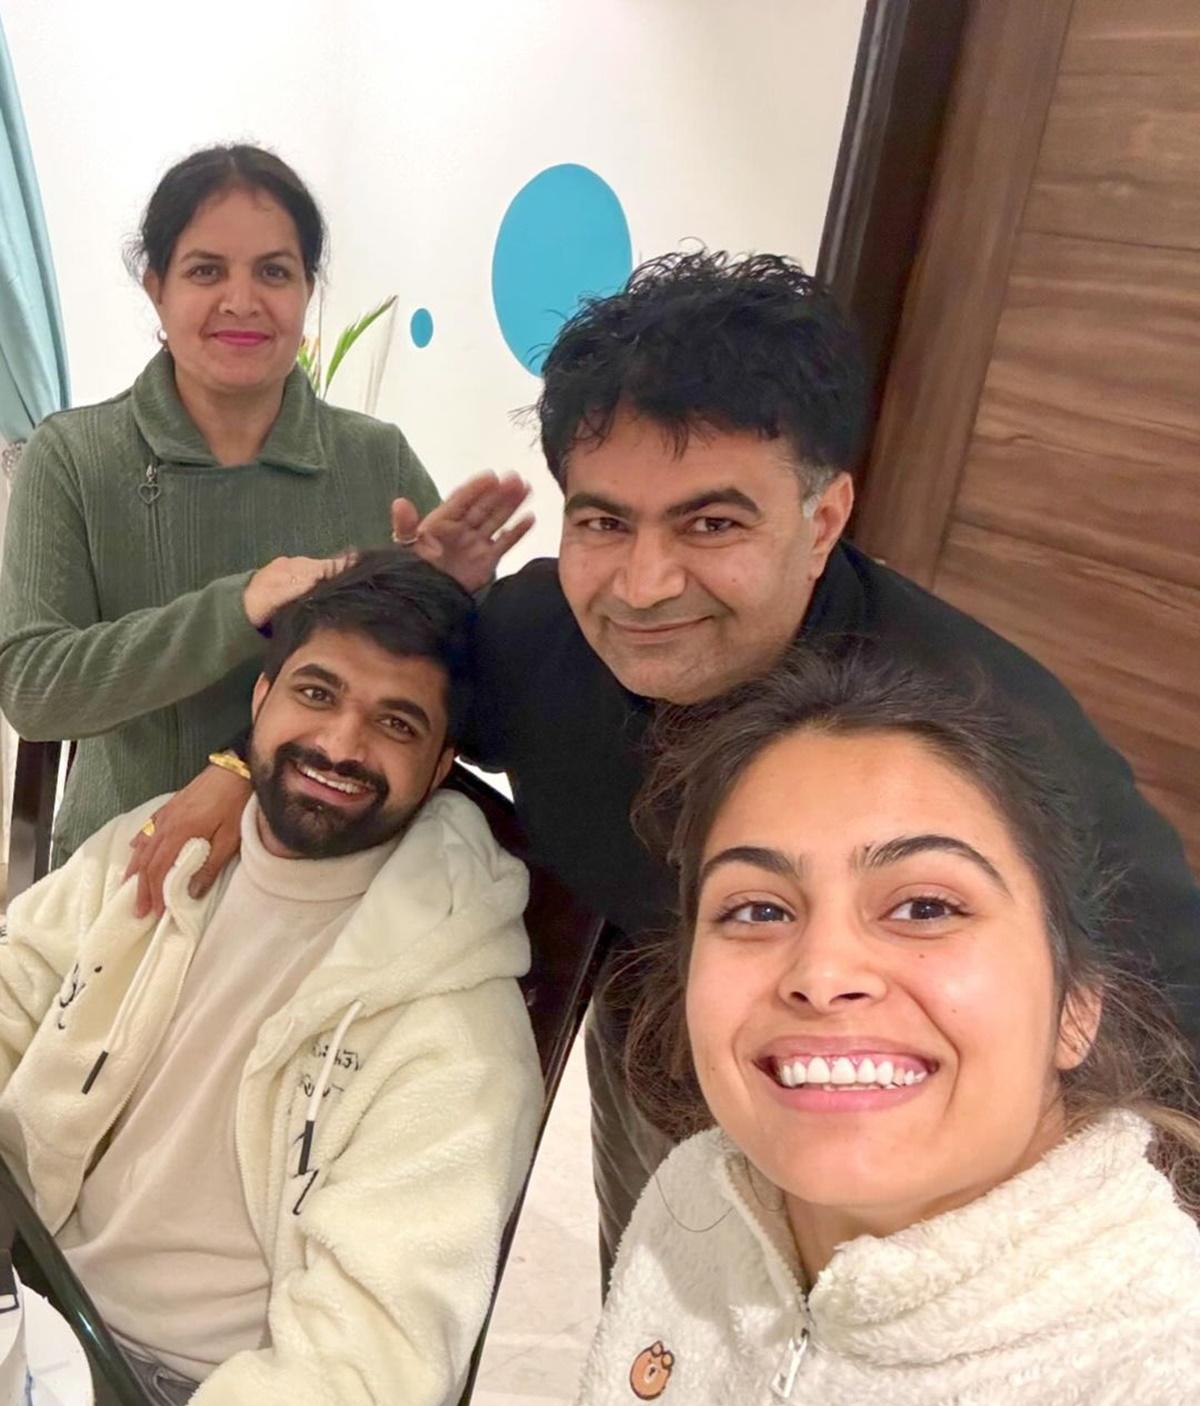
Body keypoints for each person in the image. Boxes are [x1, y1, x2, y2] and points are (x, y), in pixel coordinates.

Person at [132, 250, 1200, 1281]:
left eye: (713, 523)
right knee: (658, 1322)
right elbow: (370, 693)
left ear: (823, 518)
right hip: (658, 1034)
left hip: (902, 1126)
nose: (643, 586)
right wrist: (236, 761)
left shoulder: (976, 734)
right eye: (604, 522)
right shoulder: (534, 635)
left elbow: (1170, 1011)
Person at [549, 648, 1200, 1406]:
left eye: (925, 906)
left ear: (1075, 1002)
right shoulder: (695, 1195)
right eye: (757, 908)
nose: (821, 973)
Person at [0, 550, 542, 1406]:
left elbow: (361, 1363)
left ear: (442, 763)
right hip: (29, 1275)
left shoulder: (460, 1031)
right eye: (317, 693)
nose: (340, 743)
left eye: (396, 722)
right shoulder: (165, 842)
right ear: (258, 701)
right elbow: (15, 988)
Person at [0, 142, 448, 865]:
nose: (242, 301)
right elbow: (35, 688)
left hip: (336, 865)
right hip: (128, 862)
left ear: (308, 290)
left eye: (274, 271)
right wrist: (240, 606)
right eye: (206, 270)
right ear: (157, 289)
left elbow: (436, 681)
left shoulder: (376, 458)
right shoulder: (76, 457)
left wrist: (469, 585)